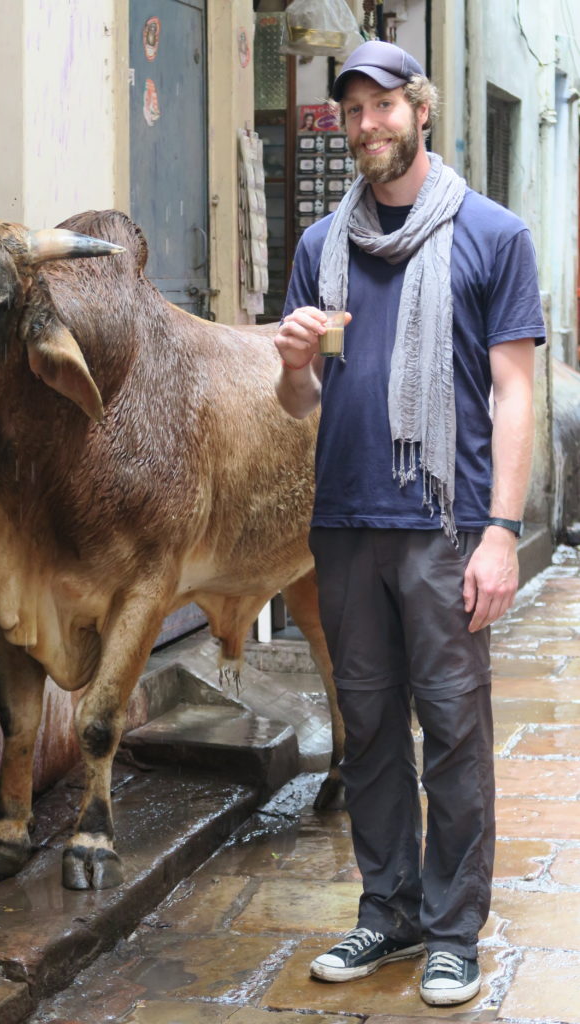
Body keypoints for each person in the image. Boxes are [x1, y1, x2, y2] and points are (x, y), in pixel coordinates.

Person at [274, 39, 544, 1007]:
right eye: (350, 111)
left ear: (419, 111)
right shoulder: (320, 248)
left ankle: (452, 931)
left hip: (446, 525)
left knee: (454, 730)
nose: (365, 125)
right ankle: (386, 910)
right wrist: (296, 360)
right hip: (345, 524)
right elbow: (300, 404)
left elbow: (516, 392)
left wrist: (503, 530)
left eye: (382, 106)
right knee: (373, 728)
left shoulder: (491, 235)